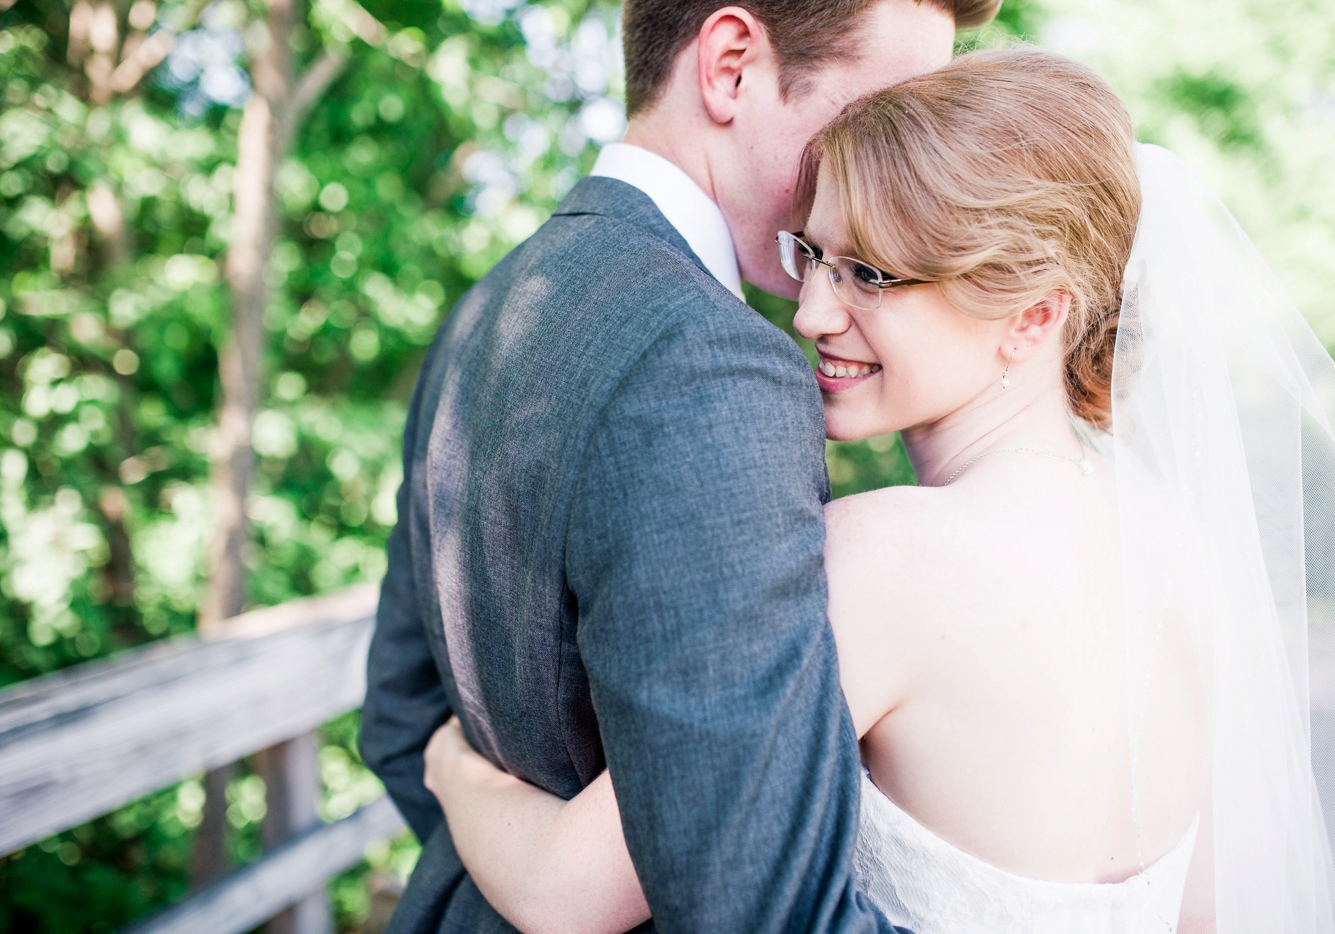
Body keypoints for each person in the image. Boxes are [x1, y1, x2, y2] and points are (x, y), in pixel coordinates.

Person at [422, 48, 1335, 933]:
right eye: (815, 257)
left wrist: (457, 773)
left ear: (1032, 315)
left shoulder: (877, 559)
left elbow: (568, 894)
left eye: (871, 275)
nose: (812, 312)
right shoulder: (1171, 536)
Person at [358, 1, 1002, 932]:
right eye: (882, 116)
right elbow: (760, 909)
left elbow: (399, 715)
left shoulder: (489, 307)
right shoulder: (712, 365)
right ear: (732, 64)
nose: (906, 165)